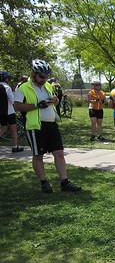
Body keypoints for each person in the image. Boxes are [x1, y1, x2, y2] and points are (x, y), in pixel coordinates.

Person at [13, 59, 81, 193]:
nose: (44, 79)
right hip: (35, 126)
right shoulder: (23, 88)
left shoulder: (48, 86)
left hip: (51, 124)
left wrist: (55, 101)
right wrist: (37, 106)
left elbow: (53, 101)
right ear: (33, 74)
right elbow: (17, 106)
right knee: (38, 155)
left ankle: (64, 182)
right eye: (41, 76)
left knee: (59, 153)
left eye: (46, 76)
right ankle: (44, 182)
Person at [0, 71, 23, 152]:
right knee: (14, 129)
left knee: (3, 128)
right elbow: (13, 101)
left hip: (1, 112)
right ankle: (15, 146)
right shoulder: (7, 87)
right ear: (6, 79)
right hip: (9, 111)